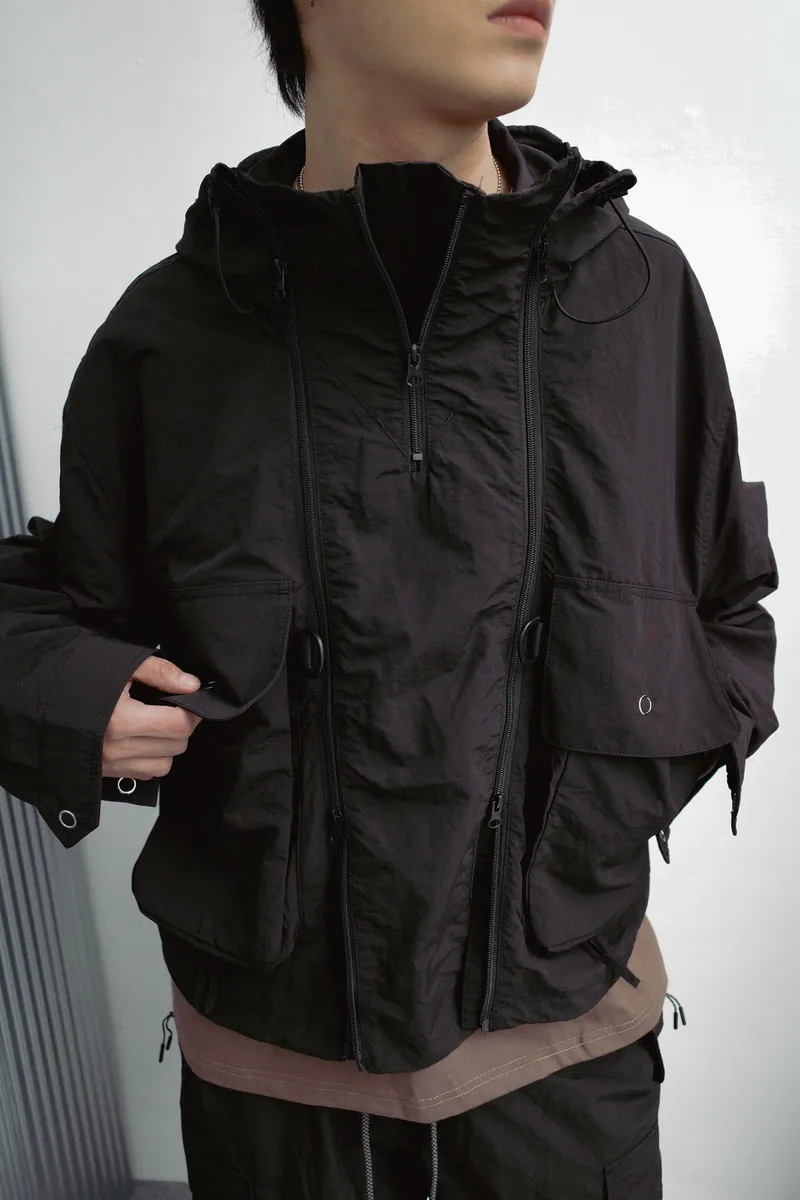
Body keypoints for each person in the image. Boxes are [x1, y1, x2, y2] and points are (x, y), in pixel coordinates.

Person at [0, 0, 779, 1196]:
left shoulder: (638, 293)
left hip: (568, 1072)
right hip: (274, 1097)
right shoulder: (174, 329)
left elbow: (727, 602)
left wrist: (599, 812)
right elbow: (50, 604)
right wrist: (72, 692)